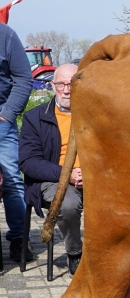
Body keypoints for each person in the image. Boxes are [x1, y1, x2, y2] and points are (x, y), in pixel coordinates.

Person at [19, 63, 82, 274]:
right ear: (53, 86)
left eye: (72, 84)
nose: (66, 90)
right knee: (68, 204)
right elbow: (28, 161)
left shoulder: (97, 115)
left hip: (94, 177)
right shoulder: (35, 118)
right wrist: (66, 174)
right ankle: (75, 253)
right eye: (61, 84)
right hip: (54, 179)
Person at [0, 22, 33, 266]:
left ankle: (19, 239)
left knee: (11, 178)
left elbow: (23, 78)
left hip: (1, 120)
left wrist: (7, 114)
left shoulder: (6, 35)